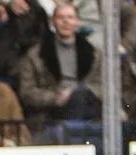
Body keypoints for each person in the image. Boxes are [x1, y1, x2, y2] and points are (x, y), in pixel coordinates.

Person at [18, 1, 104, 135]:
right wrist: (55, 98)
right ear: (52, 22)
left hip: (86, 102)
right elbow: (27, 91)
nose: (66, 22)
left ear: (77, 22)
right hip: (52, 108)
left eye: (70, 17)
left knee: (80, 96)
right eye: (61, 17)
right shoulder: (35, 55)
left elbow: (101, 85)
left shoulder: (94, 53)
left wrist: (79, 91)